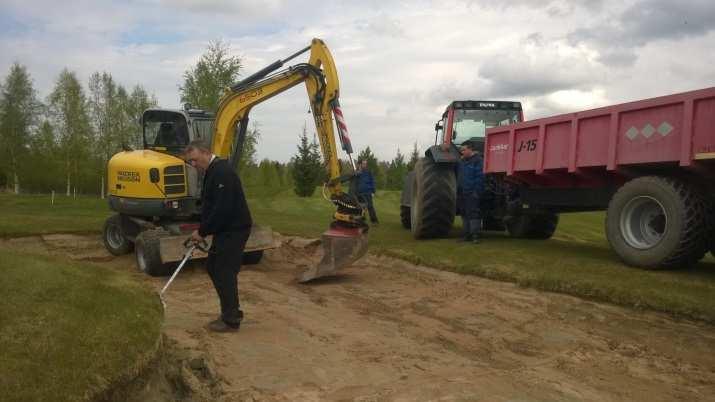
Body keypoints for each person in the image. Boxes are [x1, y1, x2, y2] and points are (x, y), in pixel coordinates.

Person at [185, 139, 253, 332]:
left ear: (206, 153)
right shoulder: (212, 171)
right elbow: (211, 205)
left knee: (224, 271)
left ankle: (231, 320)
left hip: (235, 230)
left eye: (195, 160)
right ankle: (229, 312)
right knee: (213, 267)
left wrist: (202, 231)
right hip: (225, 229)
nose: (193, 165)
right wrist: (203, 227)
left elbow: (223, 209)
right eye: (191, 161)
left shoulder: (223, 172)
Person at [457, 141, 484, 243]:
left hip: (472, 192)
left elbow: (480, 177)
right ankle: (466, 235)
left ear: (470, 149)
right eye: (461, 150)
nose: (462, 152)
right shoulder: (462, 161)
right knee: (464, 213)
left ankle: (475, 236)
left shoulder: (478, 161)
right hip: (462, 192)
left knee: (473, 213)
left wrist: (476, 191)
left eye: (464, 150)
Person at [356, 159, 379, 224]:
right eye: (363, 163)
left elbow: (372, 181)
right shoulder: (357, 172)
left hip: (368, 192)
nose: (365, 165)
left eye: (365, 164)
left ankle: (374, 221)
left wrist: (373, 191)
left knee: (370, 206)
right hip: (360, 193)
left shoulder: (369, 172)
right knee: (360, 207)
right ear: (360, 164)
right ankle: (361, 220)